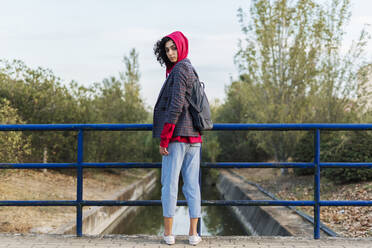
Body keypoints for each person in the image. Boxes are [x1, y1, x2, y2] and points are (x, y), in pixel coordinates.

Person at [153, 31, 202, 246]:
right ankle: (193, 235)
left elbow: (176, 106)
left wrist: (164, 139)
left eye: (174, 48)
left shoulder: (181, 69)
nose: (171, 53)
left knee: (170, 185)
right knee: (192, 186)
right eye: (167, 50)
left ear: (182, 46)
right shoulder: (188, 68)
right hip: (194, 138)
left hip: (178, 138)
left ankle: (169, 234)